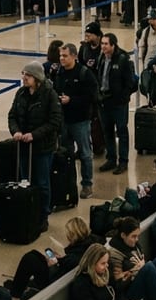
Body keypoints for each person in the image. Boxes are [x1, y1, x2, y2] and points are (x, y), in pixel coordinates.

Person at [7, 63, 64, 227]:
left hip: (43, 147)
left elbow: (54, 121)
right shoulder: (21, 93)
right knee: (25, 181)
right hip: (24, 146)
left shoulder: (49, 95)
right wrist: (15, 131)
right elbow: (12, 115)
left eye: (28, 75)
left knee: (42, 182)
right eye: (23, 74)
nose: (24, 78)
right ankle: (28, 209)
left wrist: (34, 135)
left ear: (37, 78)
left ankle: (43, 214)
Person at [57, 43, 99, 199]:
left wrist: (72, 100)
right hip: (64, 120)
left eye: (65, 55)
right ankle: (69, 183)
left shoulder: (84, 73)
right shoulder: (59, 73)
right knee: (66, 154)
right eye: (60, 55)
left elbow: (92, 96)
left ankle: (87, 184)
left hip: (80, 120)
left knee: (85, 153)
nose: (62, 58)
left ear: (74, 56)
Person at [96, 33, 136, 176]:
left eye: (106, 44)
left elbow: (130, 82)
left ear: (113, 45)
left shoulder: (123, 59)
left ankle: (123, 161)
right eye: (102, 44)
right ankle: (111, 158)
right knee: (107, 131)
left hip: (118, 102)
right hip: (104, 101)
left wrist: (123, 97)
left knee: (121, 131)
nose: (103, 46)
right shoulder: (101, 58)